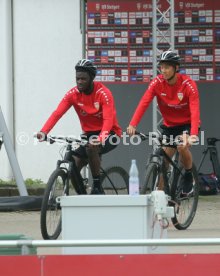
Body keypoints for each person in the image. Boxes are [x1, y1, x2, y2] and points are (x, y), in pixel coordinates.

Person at [37, 59, 122, 194]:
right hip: (88, 135)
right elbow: (57, 113)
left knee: (91, 149)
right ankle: (83, 196)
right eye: (77, 78)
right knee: (74, 166)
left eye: (83, 78)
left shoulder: (103, 93)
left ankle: (96, 185)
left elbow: (108, 120)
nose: (80, 82)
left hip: (110, 133)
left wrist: (100, 139)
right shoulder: (73, 94)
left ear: (92, 78)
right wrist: (43, 131)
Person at [127, 50, 200, 195]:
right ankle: (159, 196)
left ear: (176, 68)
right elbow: (144, 102)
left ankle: (188, 174)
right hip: (169, 125)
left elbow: (195, 110)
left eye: (167, 67)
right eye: (162, 67)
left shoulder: (188, 84)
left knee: (182, 147)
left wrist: (192, 134)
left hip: (187, 124)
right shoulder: (157, 82)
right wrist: (133, 124)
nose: (163, 70)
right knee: (163, 163)